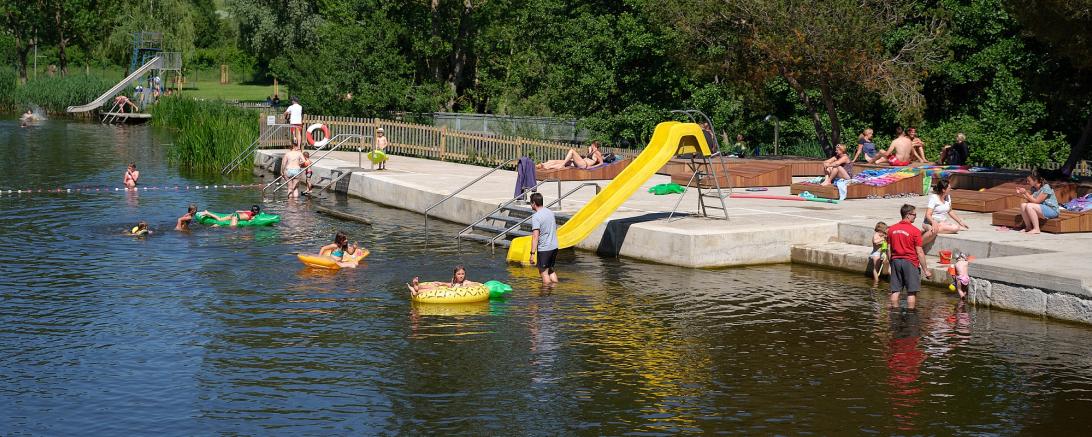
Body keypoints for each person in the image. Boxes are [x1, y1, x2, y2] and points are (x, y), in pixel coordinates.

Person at [888, 204, 932, 309]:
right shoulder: (915, 231)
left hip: (895, 261)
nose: (915, 217)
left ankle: (893, 313)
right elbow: (920, 252)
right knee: (911, 292)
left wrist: (891, 263)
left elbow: (888, 249)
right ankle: (911, 315)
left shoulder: (891, 229)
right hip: (910, 263)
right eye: (914, 215)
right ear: (908, 215)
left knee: (895, 291)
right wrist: (926, 270)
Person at [922, 179, 969, 245]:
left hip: (942, 223)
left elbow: (950, 211)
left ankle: (938, 228)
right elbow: (928, 214)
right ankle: (918, 245)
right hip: (930, 222)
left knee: (955, 228)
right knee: (933, 231)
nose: (951, 189)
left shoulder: (948, 197)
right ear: (943, 190)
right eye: (949, 188)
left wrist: (960, 222)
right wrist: (933, 222)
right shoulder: (934, 198)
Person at [1016, 170, 1060, 234]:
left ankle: (1036, 229)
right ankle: (1028, 227)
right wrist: (1022, 193)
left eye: (1029, 180)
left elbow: (1036, 201)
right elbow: (1030, 199)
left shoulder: (1046, 187)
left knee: (1029, 206)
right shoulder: (1033, 188)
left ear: (1036, 180)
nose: (1027, 182)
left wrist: (1025, 192)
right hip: (1041, 208)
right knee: (1023, 205)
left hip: (1052, 210)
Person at [529, 192, 559, 285]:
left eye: (530, 203)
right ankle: (554, 290)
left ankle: (545, 297)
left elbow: (535, 236)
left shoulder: (536, 217)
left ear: (534, 203)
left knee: (543, 272)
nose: (530, 205)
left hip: (545, 249)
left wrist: (532, 253)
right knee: (550, 270)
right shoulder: (550, 212)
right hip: (554, 247)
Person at [407, 265, 481, 295]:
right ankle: (417, 286)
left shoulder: (465, 282)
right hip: (448, 291)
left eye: (462, 274)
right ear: (455, 275)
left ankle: (416, 292)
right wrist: (440, 283)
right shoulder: (453, 282)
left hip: (450, 294)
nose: (461, 276)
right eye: (459, 274)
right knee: (436, 286)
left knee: (435, 290)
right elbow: (449, 285)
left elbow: (476, 284)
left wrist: (470, 286)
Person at [537, 141, 603, 170]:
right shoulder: (591, 150)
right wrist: (590, 151)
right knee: (555, 161)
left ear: (594, 145)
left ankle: (562, 165)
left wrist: (592, 167)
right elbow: (586, 157)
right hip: (581, 162)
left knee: (572, 151)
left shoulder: (597, 153)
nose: (590, 145)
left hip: (584, 164)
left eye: (592, 144)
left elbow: (601, 163)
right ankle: (544, 166)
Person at [871, 221, 890, 287]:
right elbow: (875, 242)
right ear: (879, 230)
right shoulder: (876, 235)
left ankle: (888, 275)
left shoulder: (884, 236)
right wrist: (882, 239)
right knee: (876, 267)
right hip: (876, 253)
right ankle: (876, 281)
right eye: (883, 231)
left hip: (883, 253)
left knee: (888, 262)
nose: (884, 233)